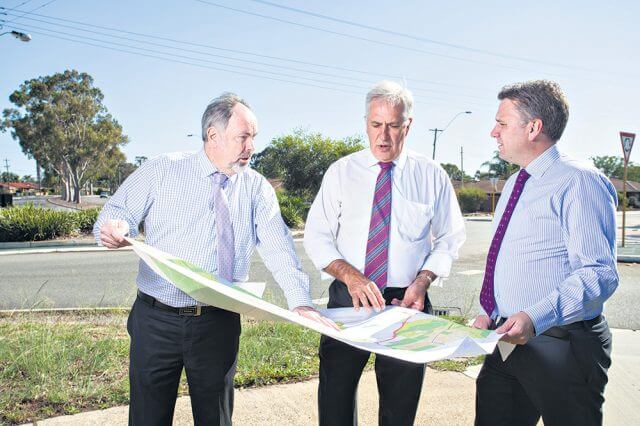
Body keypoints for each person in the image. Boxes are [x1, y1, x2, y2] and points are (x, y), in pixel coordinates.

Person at [94, 92, 335, 426]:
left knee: (215, 419)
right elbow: (117, 210)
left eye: (254, 137)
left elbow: (279, 248)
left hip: (217, 323)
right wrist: (116, 227)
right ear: (213, 136)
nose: (251, 146)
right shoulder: (164, 169)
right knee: (148, 417)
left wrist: (300, 302)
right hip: (156, 321)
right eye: (244, 137)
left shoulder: (255, 188)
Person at [304, 80, 466, 425]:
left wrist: (423, 281)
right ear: (366, 123)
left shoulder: (431, 176)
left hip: (408, 303)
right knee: (335, 402)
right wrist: (350, 276)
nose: (384, 136)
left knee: (399, 408)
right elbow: (317, 237)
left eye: (393, 126)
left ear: (407, 126)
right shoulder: (341, 173)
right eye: (376, 125)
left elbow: (451, 237)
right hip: (349, 298)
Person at [473, 80, 618, 426]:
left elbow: (599, 273)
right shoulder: (512, 184)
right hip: (507, 340)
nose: (493, 132)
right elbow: (508, 256)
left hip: (562, 346)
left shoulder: (579, 181)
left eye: (502, 123)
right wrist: (487, 310)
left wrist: (536, 317)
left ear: (534, 127)